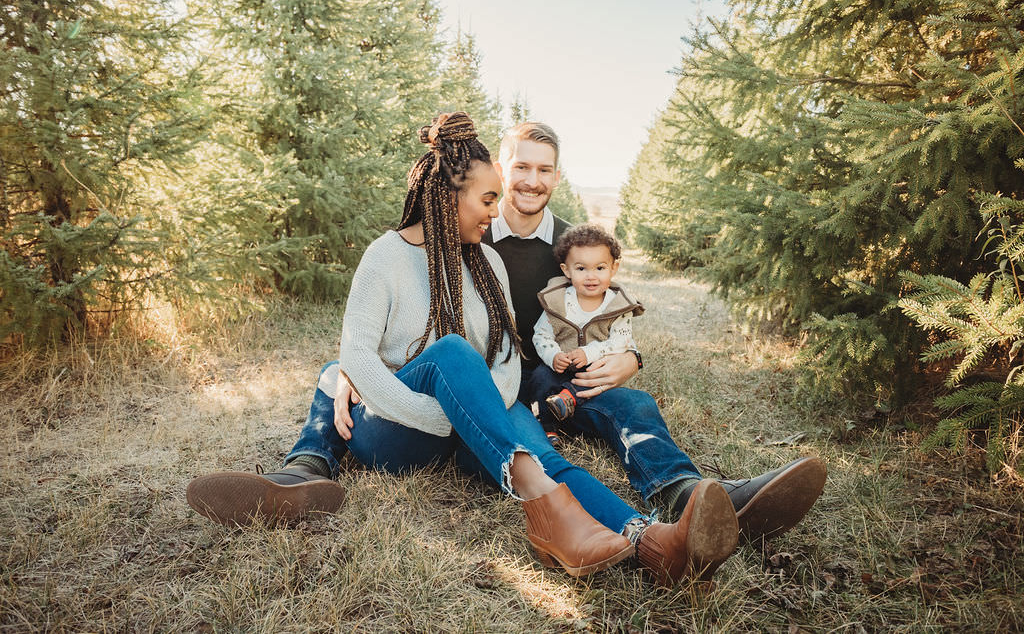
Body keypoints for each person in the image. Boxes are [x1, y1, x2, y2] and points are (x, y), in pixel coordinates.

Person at [187, 113, 740, 585]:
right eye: (487, 198)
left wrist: (474, 407)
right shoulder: (384, 257)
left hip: (473, 420)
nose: (493, 211)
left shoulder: (487, 262)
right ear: (449, 195)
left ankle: (652, 545)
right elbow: (354, 357)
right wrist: (446, 413)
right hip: (398, 431)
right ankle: (305, 474)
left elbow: (504, 358)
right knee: (451, 354)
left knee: (549, 459)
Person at [480, 121, 827, 541]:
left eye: (546, 170)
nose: (533, 182)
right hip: (496, 388)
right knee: (529, 451)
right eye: (522, 167)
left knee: (635, 406)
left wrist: (630, 357)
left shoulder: (571, 244)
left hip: (569, 382)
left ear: (557, 174)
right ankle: (633, 530)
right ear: (501, 170)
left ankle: (691, 496)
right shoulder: (472, 234)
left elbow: (605, 308)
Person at [528, 223, 643, 422]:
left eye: (600, 268)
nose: (591, 276)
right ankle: (546, 426)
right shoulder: (557, 301)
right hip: (561, 368)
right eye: (581, 268)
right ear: (566, 270)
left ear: (614, 268)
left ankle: (568, 398)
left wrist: (588, 353)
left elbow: (620, 343)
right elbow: (541, 334)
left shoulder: (618, 306)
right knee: (540, 377)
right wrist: (554, 355)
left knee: (599, 380)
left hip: (594, 372)